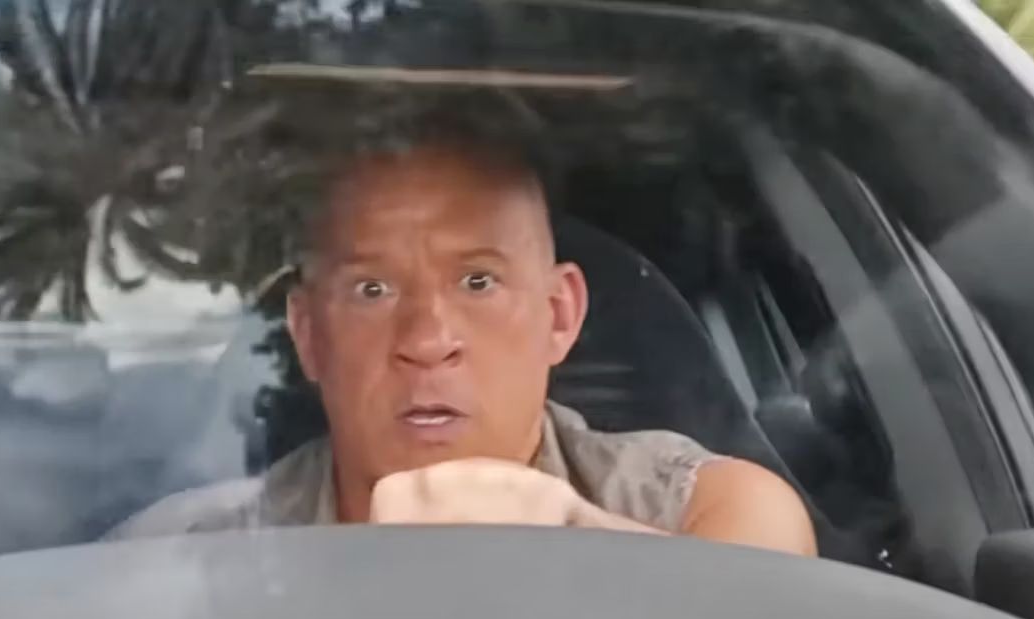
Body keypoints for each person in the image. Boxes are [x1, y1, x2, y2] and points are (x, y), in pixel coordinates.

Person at [108, 89, 816, 556]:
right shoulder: (183, 562)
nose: (426, 342)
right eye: (372, 289)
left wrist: (576, 537)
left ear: (559, 314)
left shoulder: (704, 514)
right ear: (309, 335)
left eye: (478, 282)